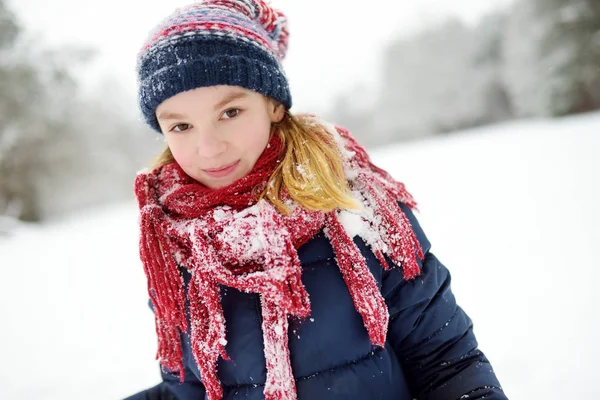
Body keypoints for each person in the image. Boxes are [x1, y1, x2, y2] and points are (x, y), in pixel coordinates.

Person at [124, 1, 507, 399]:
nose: (208, 148)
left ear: (273, 104)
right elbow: (189, 388)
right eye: (181, 125)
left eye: (230, 112)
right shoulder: (171, 239)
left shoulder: (357, 207)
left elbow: (446, 362)